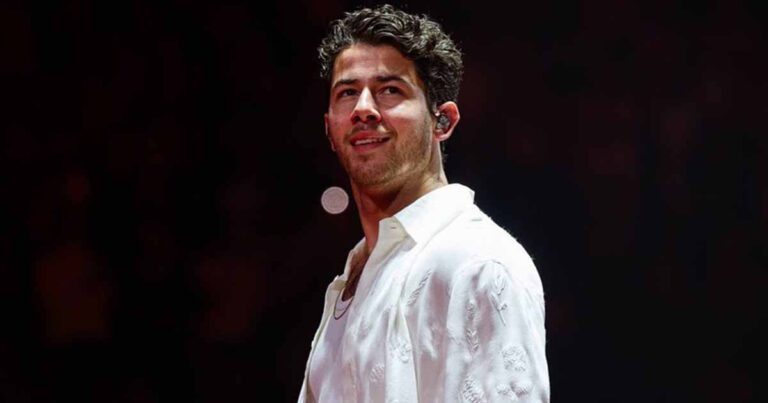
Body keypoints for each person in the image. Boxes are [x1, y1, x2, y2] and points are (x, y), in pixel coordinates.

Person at [299, 4, 549, 402]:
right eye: (348, 93)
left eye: (390, 90)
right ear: (330, 126)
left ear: (442, 121)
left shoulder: (477, 262)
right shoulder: (354, 273)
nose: (363, 109)